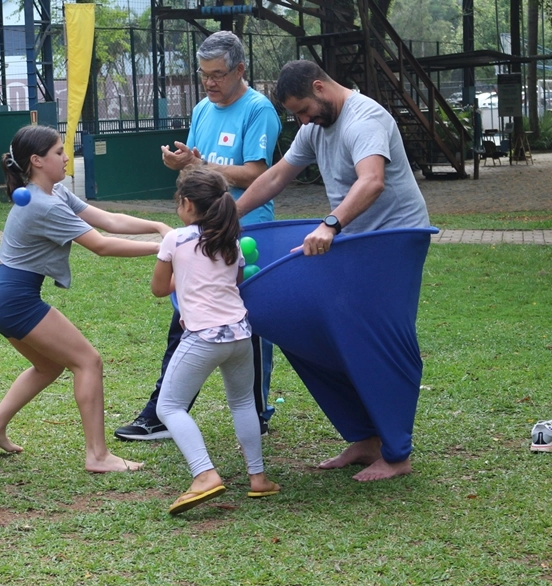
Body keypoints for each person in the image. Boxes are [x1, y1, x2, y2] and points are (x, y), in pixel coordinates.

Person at [234, 59, 431, 481]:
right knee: (308, 329)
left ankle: (397, 453)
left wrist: (331, 224)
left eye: (304, 110)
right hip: (354, 244)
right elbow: (276, 177)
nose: (303, 120)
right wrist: (228, 216)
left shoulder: (365, 119)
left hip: (393, 241)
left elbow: (372, 180)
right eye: (296, 115)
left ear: (320, 87)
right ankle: (366, 438)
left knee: (374, 340)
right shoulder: (314, 128)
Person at [0, 124, 172, 473]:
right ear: (37, 161)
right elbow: (101, 245)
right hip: (14, 298)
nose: (67, 157)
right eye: (58, 152)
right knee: (88, 361)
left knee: (49, 365)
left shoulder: (55, 193)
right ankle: (98, 455)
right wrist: (164, 249)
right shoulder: (43, 205)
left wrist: (157, 227)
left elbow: (108, 220)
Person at [115, 30, 281, 442]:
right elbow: (197, 171)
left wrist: (203, 165)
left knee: (249, 322)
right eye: (204, 74)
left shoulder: (258, 109)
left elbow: (258, 174)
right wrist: (183, 164)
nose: (209, 82)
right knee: (187, 316)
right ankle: (165, 412)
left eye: (217, 74)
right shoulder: (203, 108)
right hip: (199, 236)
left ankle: (251, 412)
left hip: (245, 231)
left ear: (239, 70)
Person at [153, 168, 280, 515]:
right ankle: (258, 478)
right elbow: (233, 282)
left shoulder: (175, 239)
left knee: (169, 407)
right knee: (242, 403)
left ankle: (204, 474)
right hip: (241, 334)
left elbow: (159, 289)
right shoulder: (232, 241)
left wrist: (182, 274)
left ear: (187, 203)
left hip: (203, 336)